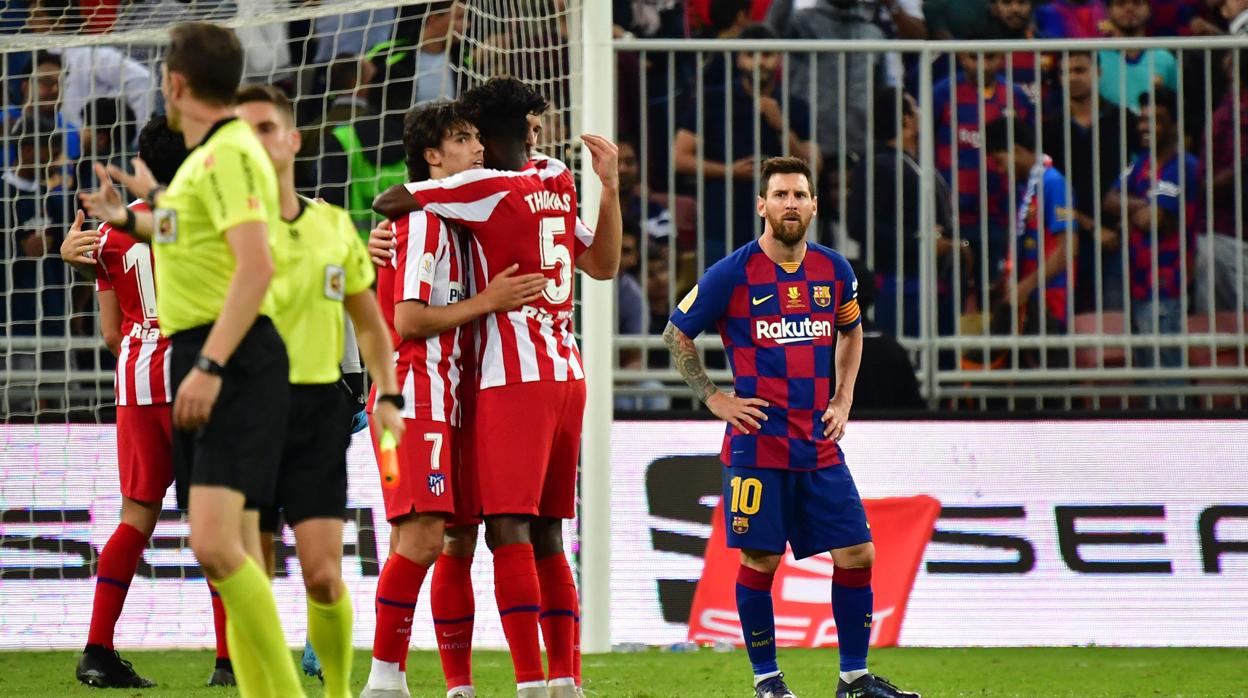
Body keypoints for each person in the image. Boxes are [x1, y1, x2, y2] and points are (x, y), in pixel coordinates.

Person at [373, 77, 620, 698]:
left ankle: (525, 685)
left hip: (505, 378)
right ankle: (555, 681)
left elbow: (391, 199)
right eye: (532, 129)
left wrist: (380, 236)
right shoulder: (558, 179)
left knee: (489, 531)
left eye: (472, 137)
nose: (537, 139)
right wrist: (610, 189)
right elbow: (605, 265)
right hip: (560, 371)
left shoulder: (481, 188)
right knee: (529, 533)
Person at [78, 21, 304, 697]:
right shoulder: (207, 169)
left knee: (171, 522)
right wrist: (129, 220)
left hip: (174, 362)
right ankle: (239, 663)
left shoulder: (226, 155)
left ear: (176, 85)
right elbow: (191, 232)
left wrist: (208, 364)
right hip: (184, 359)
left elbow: (247, 263)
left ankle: (245, 667)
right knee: (218, 534)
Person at [663, 155, 920, 698]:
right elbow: (676, 334)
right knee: (761, 559)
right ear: (762, 205)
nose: (790, 204)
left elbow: (851, 334)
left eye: (799, 195)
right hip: (757, 445)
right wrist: (714, 398)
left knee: (858, 553)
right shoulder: (731, 273)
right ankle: (768, 680)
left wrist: (844, 396)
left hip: (818, 442)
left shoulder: (834, 270)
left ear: (814, 205)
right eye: (779, 195)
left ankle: (853, 678)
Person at [358, 100, 546, 698]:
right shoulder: (423, 224)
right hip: (411, 398)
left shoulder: (458, 221)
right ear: (433, 157)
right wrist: (490, 300)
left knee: (451, 539)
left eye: (476, 138)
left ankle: (450, 686)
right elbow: (408, 320)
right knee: (422, 538)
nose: (478, 149)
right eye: (463, 140)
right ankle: (384, 678)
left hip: (451, 401)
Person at [234, 83, 404, 698]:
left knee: (323, 573)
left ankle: (333, 689)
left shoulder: (332, 225)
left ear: (292, 139)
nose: (254, 141)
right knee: (248, 569)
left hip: (317, 411)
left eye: (265, 128)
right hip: (246, 413)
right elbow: (154, 230)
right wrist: (118, 222)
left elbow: (369, 322)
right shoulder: (215, 227)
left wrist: (383, 394)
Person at [60, 116, 193, 690]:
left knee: (137, 516)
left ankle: (96, 649)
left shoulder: (109, 234)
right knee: (219, 518)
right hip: (192, 374)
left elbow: (112, 335)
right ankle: (228, 660)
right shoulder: (198, 219)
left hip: (134, 378)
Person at [1104, 86, 1199, 407]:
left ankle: (1180, 447)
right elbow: (1109, 200)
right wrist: (1142, 205)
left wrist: (1135, 210)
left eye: (1155, 120)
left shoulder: (1183, 166)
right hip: (1137, 285)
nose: (1145, 127)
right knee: (1145, 377)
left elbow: (1156, 220)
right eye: (1142, 120)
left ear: (1173, 125)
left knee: (1167, 378)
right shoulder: (1142, 164)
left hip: (1167, 288)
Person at [848, 87, 957, 339]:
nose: (921, 114)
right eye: (915, 108)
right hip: (897, 287)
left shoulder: (916, 164)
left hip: (931, 285)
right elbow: (859, 224)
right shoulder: (877, 164)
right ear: (907, 119)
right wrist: (920, 243)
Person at [1041, 50, 1139, 312]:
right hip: (1067, 234)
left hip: (1117, 235)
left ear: (1098, 73)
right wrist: (1091, 226)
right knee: (1070, 318)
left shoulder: (1124, 120)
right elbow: (1047, 189)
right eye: (1065, 72)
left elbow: (1146, 168)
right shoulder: (1050, 128)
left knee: (1114, 319)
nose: (1072, 77)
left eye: (1080, 70)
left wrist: (1129, 216)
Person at [932, 44, 1034, 288]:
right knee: (955, 292)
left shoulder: (1015, 97)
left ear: (1001, 57)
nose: (982, 65)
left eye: (989, 57)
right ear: (960, 56)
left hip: (1001, 216)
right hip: (954, 217)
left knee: (995, 290)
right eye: (973, 57)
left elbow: (1028, 152)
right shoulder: (943, 93)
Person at [984, 117, 1075, 335]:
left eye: (999, 161)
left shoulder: (1052, 183)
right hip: (1030, 303)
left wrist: (1025, 286)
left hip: (1050, 304)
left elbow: (1068, 248)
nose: (999, 170)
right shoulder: (1028, 187)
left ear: (1015, 149)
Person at [1098, 0, 1178, 113]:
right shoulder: (1095, 57)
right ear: (1108, 11)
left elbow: (1175, 105)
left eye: (1137, 3)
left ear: (1149, 10)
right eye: (1121, 4)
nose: (1129, 8)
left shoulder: (1166, 59)